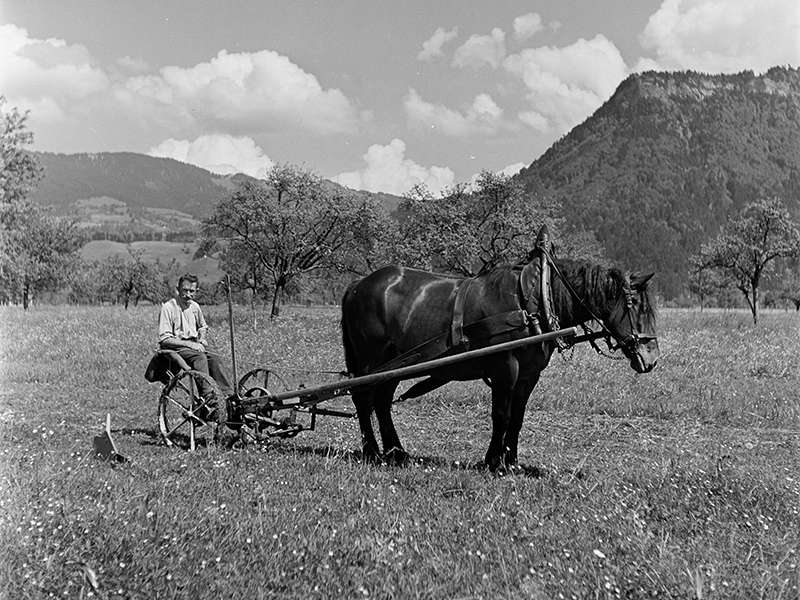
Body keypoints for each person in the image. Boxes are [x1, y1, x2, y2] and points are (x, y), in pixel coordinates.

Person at [158, 273, 234, 409]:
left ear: (196, 291)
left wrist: (202, 338)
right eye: (185, 290)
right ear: (178, 289)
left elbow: (203, 326)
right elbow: (165, 339)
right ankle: (208, 396)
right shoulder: (168, 307)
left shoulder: (195, 307)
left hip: (194, 343)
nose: (188, 294)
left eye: (191, 291)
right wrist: (191, 344)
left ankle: (227, 394)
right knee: (200, 357)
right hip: (176, 347)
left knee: (214, 356)